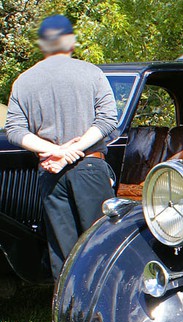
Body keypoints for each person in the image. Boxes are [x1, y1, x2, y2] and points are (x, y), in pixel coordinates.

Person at [4, 14, 118, 279]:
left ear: (43, 44)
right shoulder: (92, 73)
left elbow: (15, 131)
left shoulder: (24, 81)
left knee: (62, 250)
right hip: (90, 166)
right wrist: (69, 152)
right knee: (100, 243)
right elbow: (108, 120)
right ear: (70, 41)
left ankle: (66, 316)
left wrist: (56, 152)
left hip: (50, 171)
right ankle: (100, 315)